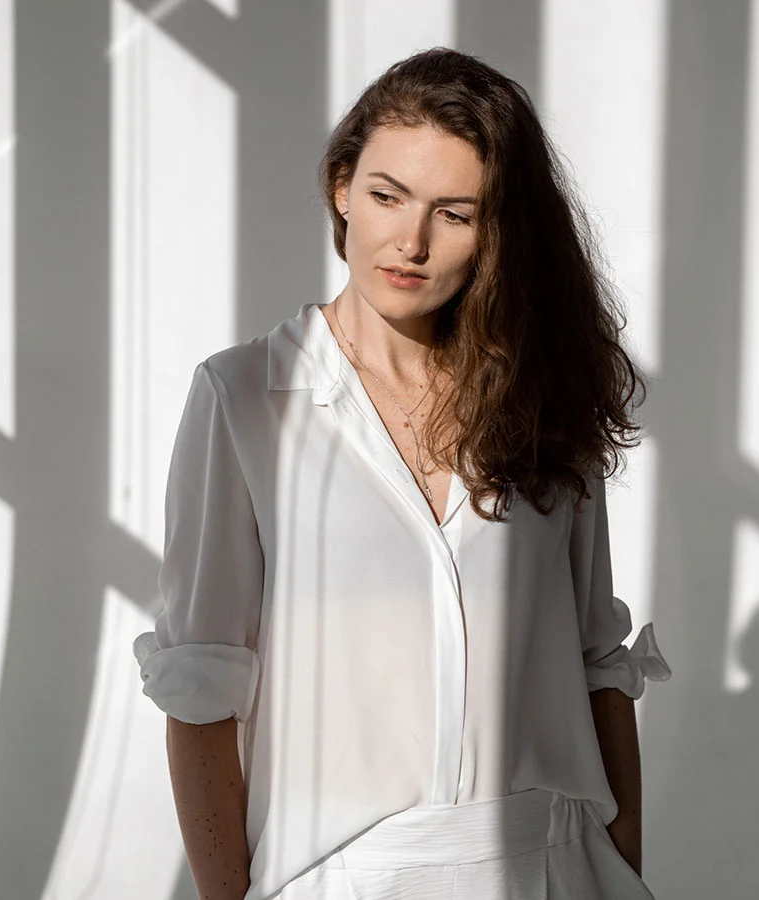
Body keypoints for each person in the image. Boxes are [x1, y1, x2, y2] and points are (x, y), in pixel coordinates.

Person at [133, 47, 672, 900]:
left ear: (495, 233)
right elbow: (200, 691)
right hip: (344, 878)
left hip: (555, 867)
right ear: (342, 188)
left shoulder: (544, 396)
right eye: (387, 196)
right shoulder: (245, 399)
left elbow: (597, 663)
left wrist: (624, 872)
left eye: (454, 214)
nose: (411, 242)